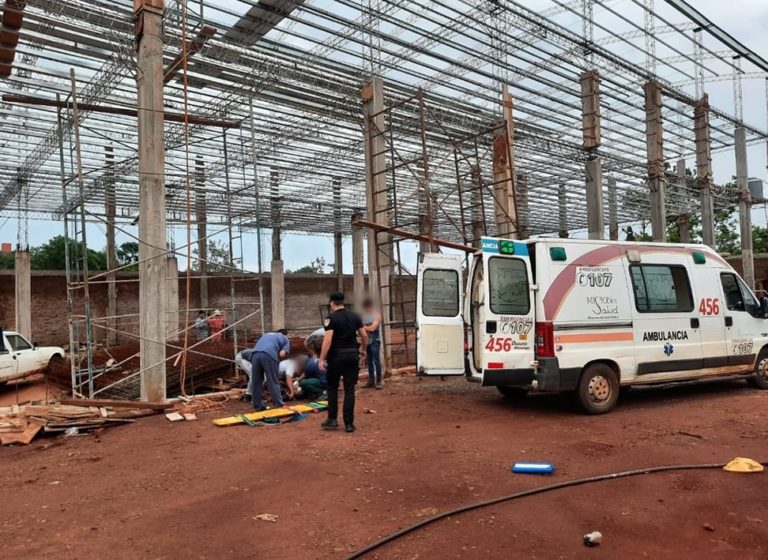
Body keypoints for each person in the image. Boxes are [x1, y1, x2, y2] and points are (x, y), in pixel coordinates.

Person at [319, 292, 367, 433]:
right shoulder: (355, 316)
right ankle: (349, 424)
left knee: (332, 387)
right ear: (343, 302)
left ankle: (332, 420)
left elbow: (327, 340)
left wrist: (321, 359)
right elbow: (364, 335)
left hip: (336, 356)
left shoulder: (331, 318)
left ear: (332, 303)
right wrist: (363, 350)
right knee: (349, 390)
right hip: (352, 355)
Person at [251, 329, 290, 411]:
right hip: (269, 354)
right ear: (286, 335)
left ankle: (258, 405)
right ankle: (278, 404)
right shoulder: (285, 339)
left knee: (256, 381)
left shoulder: (266, 334)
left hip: (255, 354)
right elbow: (281, 354)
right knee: (273, 380)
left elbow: (259, 344)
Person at [361, 297, 383, 389]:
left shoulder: (376, 315)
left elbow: (373, 328)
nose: (366, 309)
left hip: (375, 341)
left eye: (367, 307)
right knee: (369, 362)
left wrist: (362, 327)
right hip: (367, 341)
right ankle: (371, 381)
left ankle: (379, 382)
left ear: (371, 306)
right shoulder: (364, 315)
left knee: (376, 361)